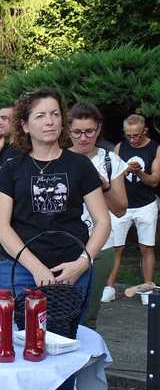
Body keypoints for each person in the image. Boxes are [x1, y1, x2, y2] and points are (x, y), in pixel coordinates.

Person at [0, 88, 110, 390]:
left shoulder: (79, 165)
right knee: (19, 358)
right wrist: (37, 268)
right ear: (25, 125)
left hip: (73, 270)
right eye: (40, 116)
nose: (50, 121)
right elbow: (0, 226)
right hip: (22, 272)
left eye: (55, 114)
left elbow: (103, 222)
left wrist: (82, 263)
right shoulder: (12, 166)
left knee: (62, 358)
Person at [68, 103, 127, 328]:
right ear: (68, 131)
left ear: (99, 129)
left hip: (101, 248)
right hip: (65, 246)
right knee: (61, 311)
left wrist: (104, 187)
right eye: (77, 132)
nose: (83, 138)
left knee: (88, 315)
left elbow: (121, 208)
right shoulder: (58, 158)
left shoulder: (111, 161)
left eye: (89, 131)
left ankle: (88, 361)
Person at [104, 114, 160, 304]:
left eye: (136, 135)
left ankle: (147, 288)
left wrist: (139, 172)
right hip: (123, 204)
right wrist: (126, 170)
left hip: (146, 204)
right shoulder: (120, 146)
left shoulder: (156, 148)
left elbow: (154, 181)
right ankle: (109, 287)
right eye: (129, 135)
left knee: (146, 247)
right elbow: (113, 176)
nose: (133, 139)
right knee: (116, 248)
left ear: (144, 131)